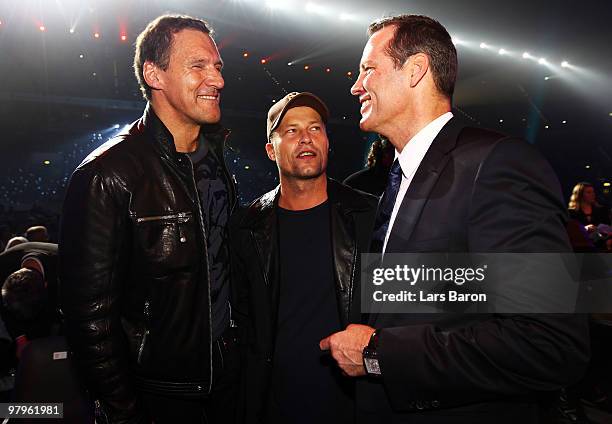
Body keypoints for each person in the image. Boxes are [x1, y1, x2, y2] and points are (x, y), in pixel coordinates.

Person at [320, 14, 590, 423]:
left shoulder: (497, 164)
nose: (356, 86)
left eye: (368, 70)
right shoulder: (396, 179)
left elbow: (549, 341)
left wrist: (379, 354)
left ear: (415, 71)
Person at [59, 14, 239, 424]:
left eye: (217, 67)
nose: (217, 79)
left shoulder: (216, 160)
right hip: (158, 395)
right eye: (198, 66)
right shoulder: (107, 174)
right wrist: (124, 410)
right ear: (154, 74)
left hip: (227, 383)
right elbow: (89, 317)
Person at [230, 92, 377, 423]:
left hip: (353, 403)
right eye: (292, 131)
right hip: (274, 405)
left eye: (315, 128)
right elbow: (243, 320)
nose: (306, 138)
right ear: (271, 150)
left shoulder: (369, 215)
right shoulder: (246, 226)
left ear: (327, 142)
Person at [568, 182, 611, 250]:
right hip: (581, 249)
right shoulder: (571, 212)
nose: (593, 194)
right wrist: (584, 229)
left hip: (601, 247)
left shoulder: (601, 210)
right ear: (580, 195)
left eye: (593, 192)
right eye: (589, 192)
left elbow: (608, 227)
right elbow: (570, 232)